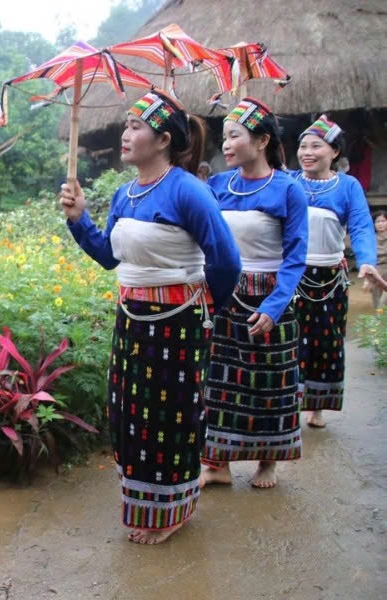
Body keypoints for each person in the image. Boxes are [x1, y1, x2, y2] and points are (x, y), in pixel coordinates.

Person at [60, 89, 241, 544]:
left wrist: (203, 309)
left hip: (178, 324)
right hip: (132, 321)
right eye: (126, 125)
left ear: (162, 140)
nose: (125, 134)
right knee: (131, 413)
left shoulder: (189, 191)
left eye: (135, 126)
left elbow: (226, 262)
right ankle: (143, 503)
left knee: (171, 418)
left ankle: (173, 512)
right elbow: (108, 255)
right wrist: (80, 219)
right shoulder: (124, 194)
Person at [200, 98, 308, 490]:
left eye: (234, 136)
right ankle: (218, 464)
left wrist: (276, 305)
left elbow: (296, 256)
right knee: (222, 382)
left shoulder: (288, 189)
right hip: (226, 294)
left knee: (271, 383)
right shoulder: (215, 186)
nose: (226, 144)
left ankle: (269, 460)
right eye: (223, 137)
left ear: (261, 140)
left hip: (270, 295)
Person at [292, 115, 387, 428]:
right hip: (292, 274)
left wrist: (368, 260)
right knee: (290, 339)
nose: (307, 152)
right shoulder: (289, 182)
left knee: (325, 340)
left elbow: (360, 226)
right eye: (303, 146)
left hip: (330, 278)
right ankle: (289, 400)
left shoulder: (347, 186)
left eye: (316, 146)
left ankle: (317, 406)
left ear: (333, 151)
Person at [366, 211, 387, 309]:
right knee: (377, 304)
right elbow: (367, 260)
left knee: (382, 304)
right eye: (377, 221)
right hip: (376, 272)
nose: (380, 224)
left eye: (383, 221)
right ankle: (379, 323)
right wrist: (367, 280)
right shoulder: (370, 239)